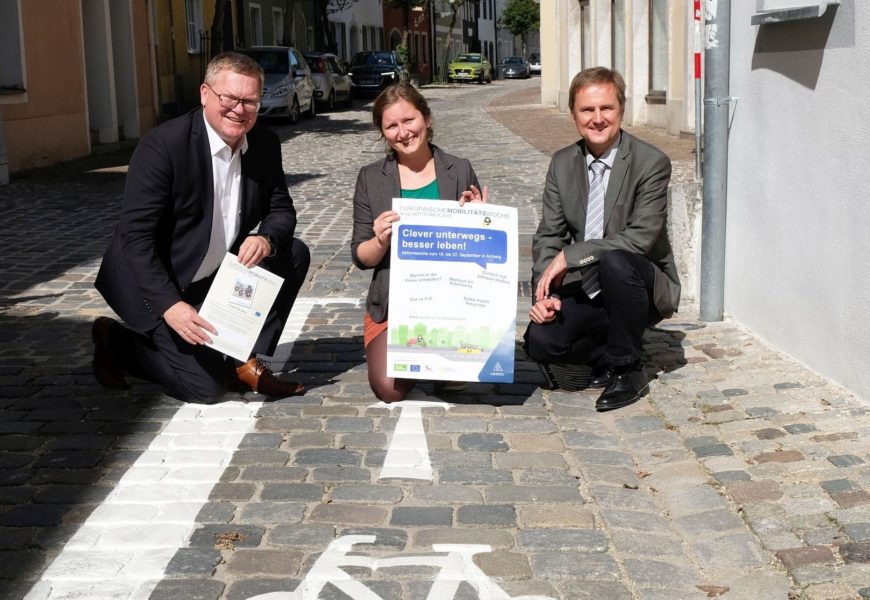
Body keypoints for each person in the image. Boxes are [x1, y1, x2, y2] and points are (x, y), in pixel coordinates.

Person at [92, 52, 310, 402]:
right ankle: (117, 342)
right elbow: (135, 237)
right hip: (158, 284)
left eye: (250, 101)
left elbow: (281, 209)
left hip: (211, 275)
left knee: (293, 252)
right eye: (230, 98)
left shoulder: (264, 144)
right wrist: (170, 306)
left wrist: (266, 238)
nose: (240, 109)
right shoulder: (163, 146)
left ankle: (243, 357)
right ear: (205, 94)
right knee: (205, 388)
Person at [525, 67, 680, 412]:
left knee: (615, 261)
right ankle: (607, 350)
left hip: (639, 284)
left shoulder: (651, 162)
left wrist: (571, 255)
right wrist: (545, 293)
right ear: (574, 115)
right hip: (587, 285)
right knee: (540, 343)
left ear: (621, 110)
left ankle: (627, 369)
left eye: (606, 108)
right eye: (587, 110)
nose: (597, 119)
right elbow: (549, 234)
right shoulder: (563, 163)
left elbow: (640, 239)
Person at [351, 83, 487, 402]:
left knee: (453, 373)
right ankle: (429, 357)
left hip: (450, 302)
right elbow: (361, 256)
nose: (403, 132)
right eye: (391, 126)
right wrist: (380, 240)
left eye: (409, 120)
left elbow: (481, 255)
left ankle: (438, 358)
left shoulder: (459, 169)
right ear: (382, 132)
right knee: (389, 389)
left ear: (426, 118)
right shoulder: (371, 177)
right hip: (393, 304)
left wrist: (481, 220)